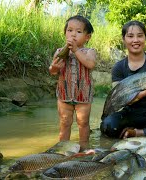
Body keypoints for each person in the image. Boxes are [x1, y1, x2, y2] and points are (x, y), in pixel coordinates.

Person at [49, 15, 96, 150]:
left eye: (79, 31)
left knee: (83, 122)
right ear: (65, 33)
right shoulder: (60, 51)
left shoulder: (89, 51)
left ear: (87, 37)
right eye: (70, 30)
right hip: (64, 95)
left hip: (83, 96)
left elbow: (90, 64)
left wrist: (75, 50)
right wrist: (54, 68)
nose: (73, 34)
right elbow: (52, 71)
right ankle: (63, 149)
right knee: (64, 122)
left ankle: (84, 148)